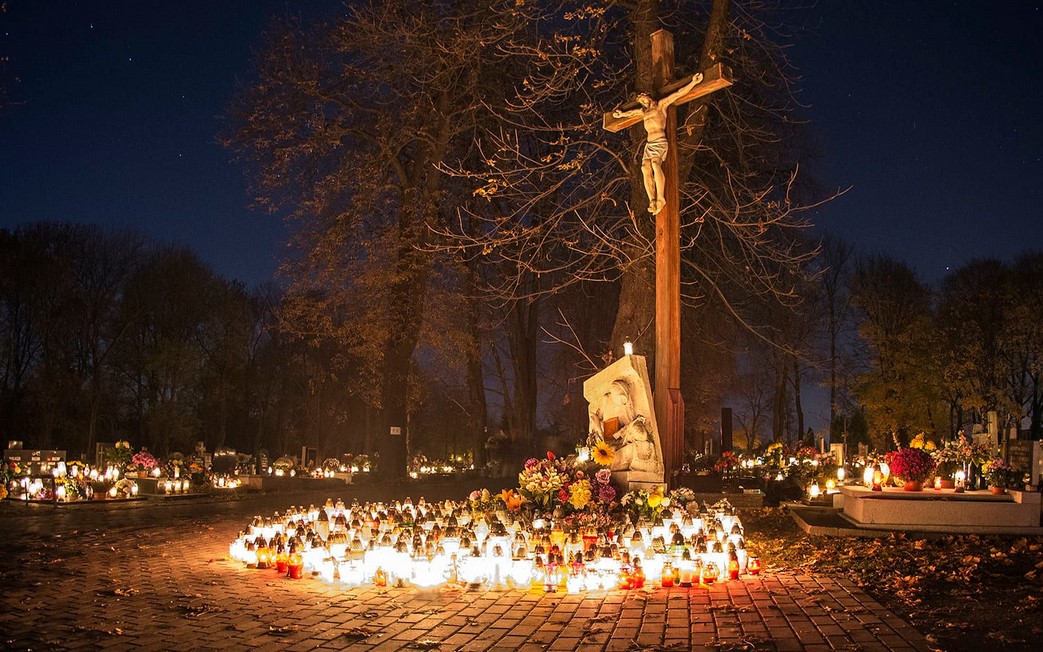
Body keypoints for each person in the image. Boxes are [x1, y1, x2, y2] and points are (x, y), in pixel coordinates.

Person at [612, 73, 703, 215]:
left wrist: (693, 83)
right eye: (641, 101)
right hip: (649, 144)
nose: (642, 101)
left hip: (659, 140)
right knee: (644, 168)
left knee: (655, 164)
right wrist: (621, 115)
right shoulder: (644, 112)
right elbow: (630, 113)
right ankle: (651, 199)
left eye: (643, 98)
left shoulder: (660, 106)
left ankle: (660, 198)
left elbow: (677, 94)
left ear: (648, 96)